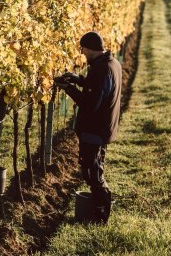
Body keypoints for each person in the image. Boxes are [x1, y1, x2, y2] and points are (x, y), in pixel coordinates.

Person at [57, 31, 122, 224]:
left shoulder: (101, 69)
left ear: (90, 48)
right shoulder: (112, 63)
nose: (82, 53)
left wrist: (68, 89)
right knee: (94, 169)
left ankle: (101, 215)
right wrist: (79, 80)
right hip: (102, 128)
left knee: (92, 173)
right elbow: (99, 89)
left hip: (94, 129)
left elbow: (90, 104)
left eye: (83, 49)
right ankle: (98, 211)